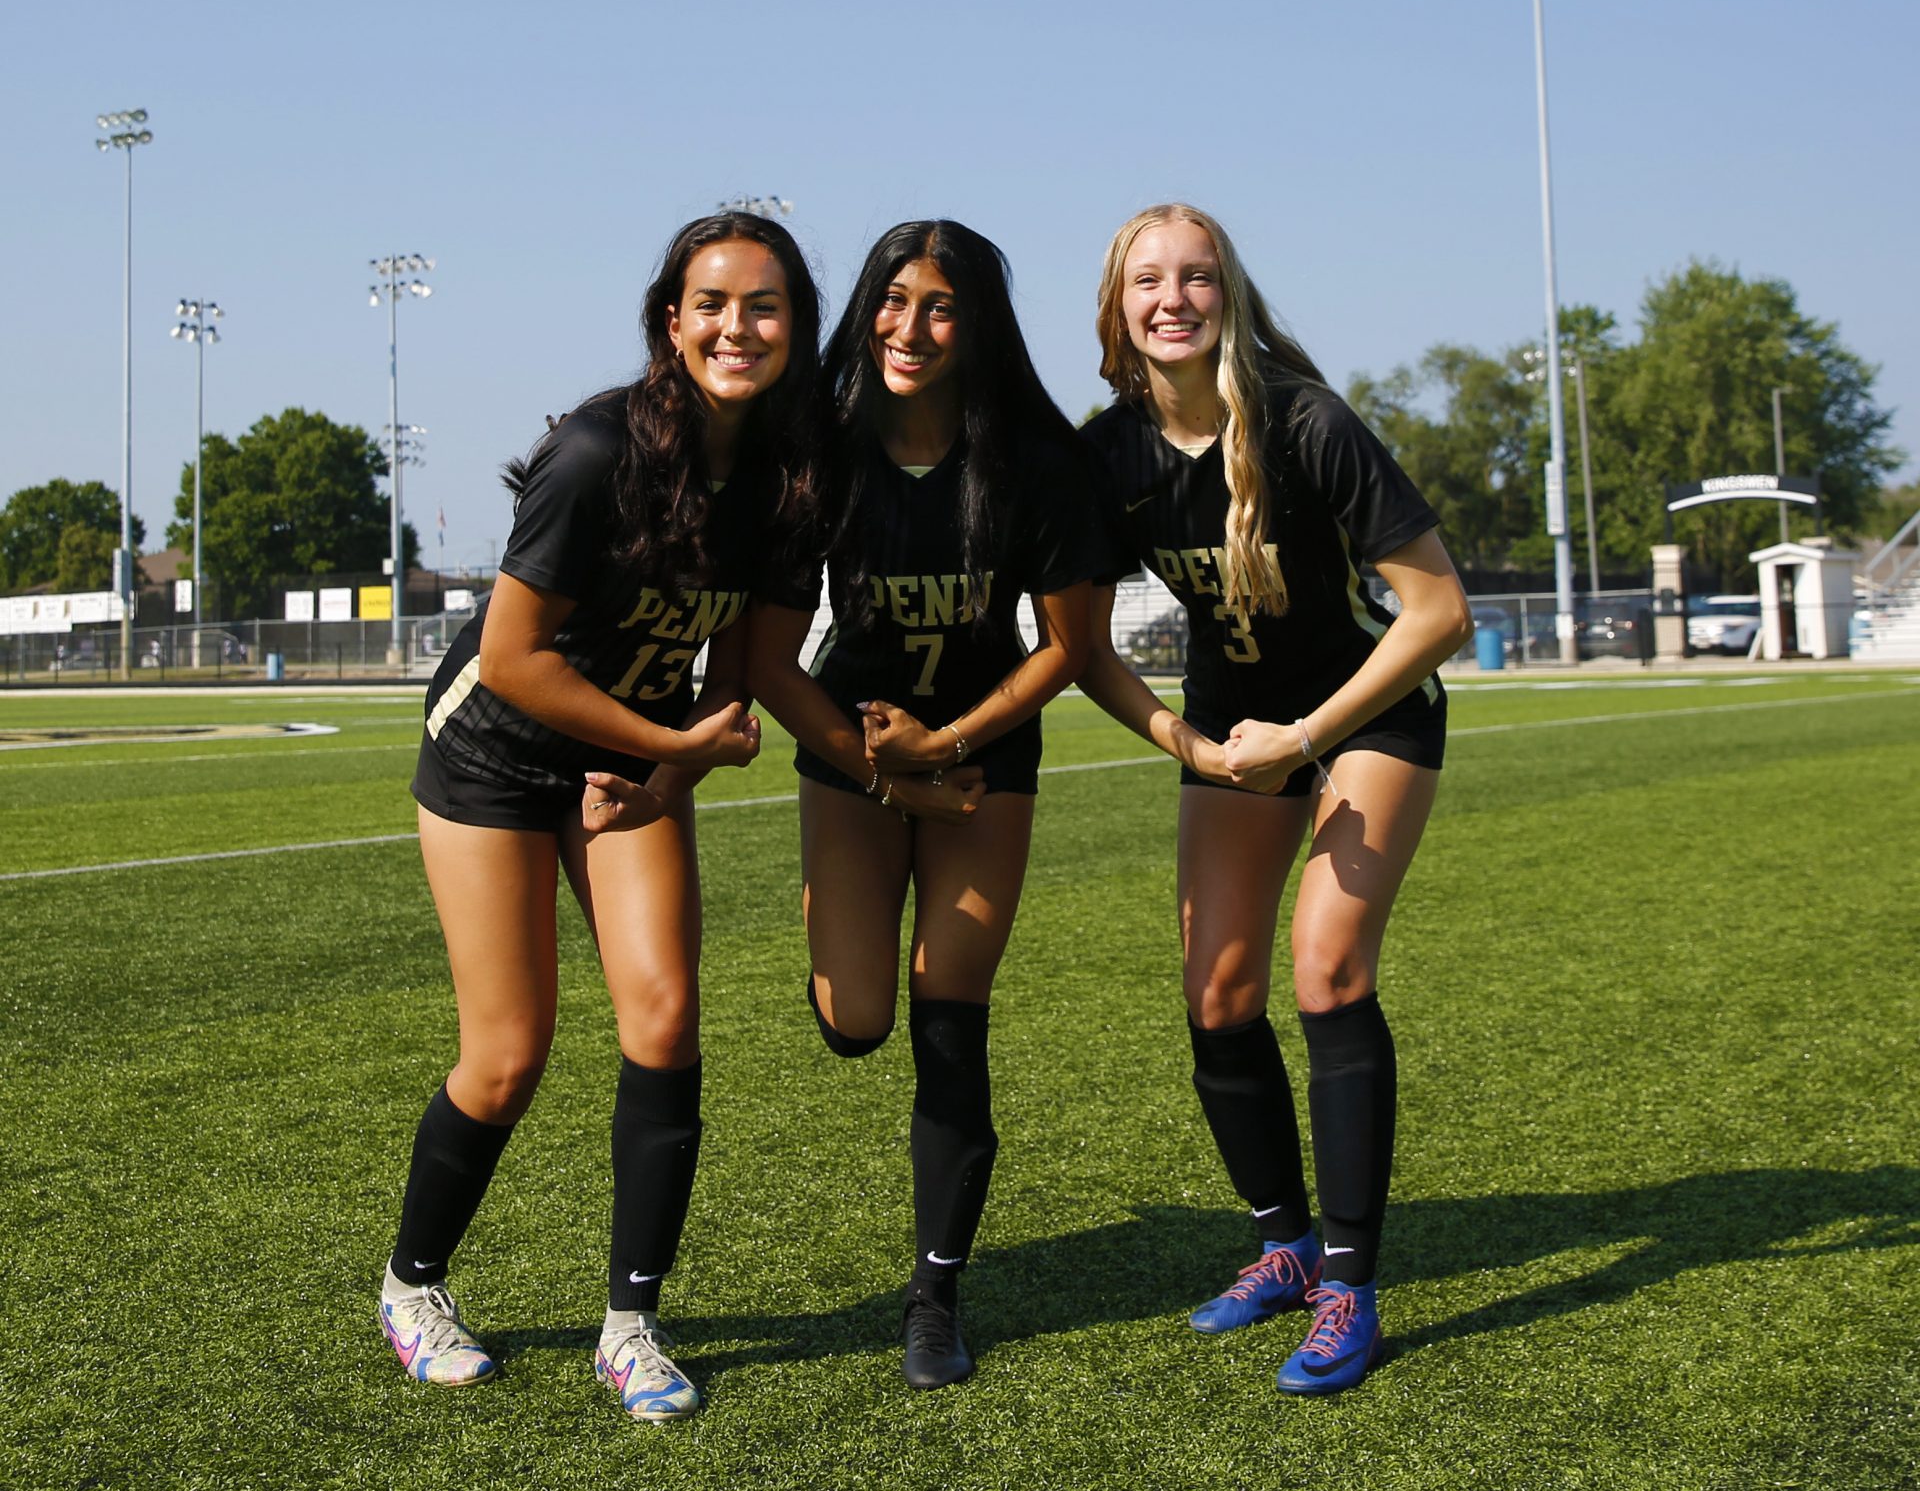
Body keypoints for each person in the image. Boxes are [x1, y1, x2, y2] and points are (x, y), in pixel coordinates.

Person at [378, 211, 823, 1422]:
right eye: (713, 304)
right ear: (671, 322)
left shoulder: (793, 476)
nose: (738, 327)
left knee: (665, 1020)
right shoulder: (597, 451)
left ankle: (632, 1328)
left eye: (766, 305)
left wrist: (672, 772)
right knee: (507, 1055)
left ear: (796, 326)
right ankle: (412, 1287)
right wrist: (673, 747)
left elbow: (742, 665)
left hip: (634, 759)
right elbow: (513, 658)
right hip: (496, 756)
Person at [1076, 204, 1472, 1396]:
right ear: (1118, 307)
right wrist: (1185, 742)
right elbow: (1081, 647)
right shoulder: (1108, 455)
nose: (1174, 299)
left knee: (1327, 969)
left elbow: (1438, 611)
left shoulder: (1308, 423)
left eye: (1198, 277)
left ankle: (1350, 1282)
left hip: (1365, 716)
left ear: (1230, 294)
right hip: (1233, 731)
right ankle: (1285, 1246)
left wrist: (1305, 735)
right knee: (1217, 991)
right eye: (1149, 280)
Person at [744, 219, 1100, 1389]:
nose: (911, 327)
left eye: (941, 306)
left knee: (950, 1011)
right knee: (859, 1020)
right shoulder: (821, 451)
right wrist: (880, 766)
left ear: (979, 323)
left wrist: (945, 746)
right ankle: (840, 955)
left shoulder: (1034, 458)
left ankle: (934, 1299)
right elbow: (769, 659)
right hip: (856, 753)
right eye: (894, 301)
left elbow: (1067, 647)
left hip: (981, 755)